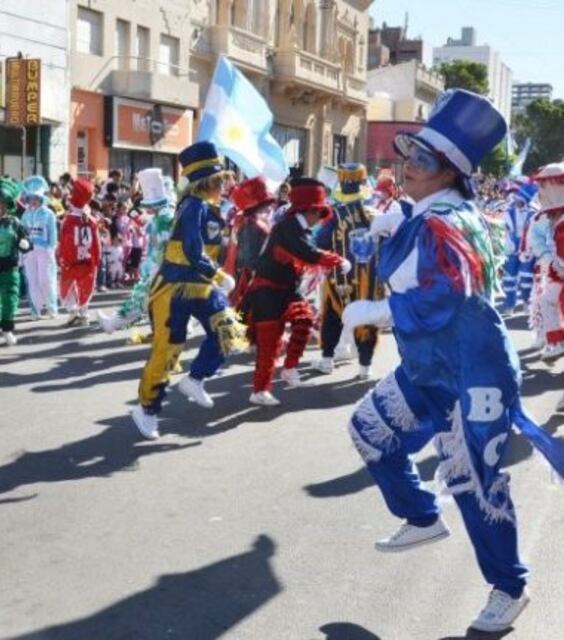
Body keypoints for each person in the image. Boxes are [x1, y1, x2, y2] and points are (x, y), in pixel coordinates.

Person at [339, 90, 564, 633]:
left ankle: (510, 588)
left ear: (448, 173)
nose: (405, 167)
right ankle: (420, 515)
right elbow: (411, 263)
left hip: (474, 372)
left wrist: (381, 309)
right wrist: (385, 232)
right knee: (369, 429)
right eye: (406, 156)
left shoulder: (450, 219)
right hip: (428, 368)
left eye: (420, 161)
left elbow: (451, 291)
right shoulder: (425, 212)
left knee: (476, 484)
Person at [131, 142, 245, 439]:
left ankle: (195, 378)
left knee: (227, 330)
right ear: (206, 182)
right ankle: (146, 409)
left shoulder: (211, 208)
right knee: (168, 349)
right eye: (220, 180)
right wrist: (219, 274)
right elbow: (193, 250)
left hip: (202, 286)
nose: (225, 185)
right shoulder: (192, 206)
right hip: (174, 286)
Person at [242, 179, 349, 406]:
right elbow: (307, 252)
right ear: (308, 209)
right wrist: (337, 260)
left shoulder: (300, 228)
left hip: (287, 290)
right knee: (269, 343)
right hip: (266, 291)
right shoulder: (289, 226)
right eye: (318, 212)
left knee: (305, 321)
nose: (319, 218)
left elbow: (307, 252)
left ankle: (289, 368)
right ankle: (259, 390)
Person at [312, 163, 384, 380]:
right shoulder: (376, 214)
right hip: (369, 279)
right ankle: (365, 367)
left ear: (342, 183)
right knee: (366, 320)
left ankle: (327, 359)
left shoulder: (335, 215)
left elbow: (321, 241)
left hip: (340, 276)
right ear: (362, 183)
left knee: (332, 316)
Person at [98, 168, 175, 333]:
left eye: (150, 205)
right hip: (159, 267)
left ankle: (112, 324)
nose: (147, 208)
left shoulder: (164, 220)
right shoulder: (159, 218)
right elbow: (139, 219)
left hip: (162, 269)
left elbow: (164, 246)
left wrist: (156, 268)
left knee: (141, 299)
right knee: (146, 300)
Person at [0, 177, 30, 345]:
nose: (0, 205)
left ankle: (7, 329)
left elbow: (27, 241)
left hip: (11, 266)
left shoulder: (15, 222)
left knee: (10, 300)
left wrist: (25, 244)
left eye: (4, 202)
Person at [223, 176, 275, 311]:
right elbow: (249, 258)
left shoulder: (245, 219)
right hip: (247, 281)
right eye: (266, 203)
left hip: (241, 277)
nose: (269, 206)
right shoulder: (250, 224)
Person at [532, 163, 564, 364]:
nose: (540, 192)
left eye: (544, 186)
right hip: (557, 272)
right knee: (545, 300)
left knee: (548, 300)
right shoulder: (555, 220)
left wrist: (559, 267)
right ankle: (556, 342)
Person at [57, 178, 101, 327]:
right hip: (88, 260)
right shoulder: (92, 220)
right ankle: (83, 314)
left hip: (72, 260)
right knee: (84, 287)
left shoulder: (68, 220)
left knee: (66, 288)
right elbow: (97, 243)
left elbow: (65, 242)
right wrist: (97, 259)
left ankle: (74, 311)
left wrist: (62, 257)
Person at [20, 176, 59, 319]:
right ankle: (35, 310)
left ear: (42, 198)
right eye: (31, 198)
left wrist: (51, 248)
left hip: (44, 250)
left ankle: (51, 307)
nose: (33, 200)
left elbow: (53, 234)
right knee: (32, 279)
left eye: (36, 197)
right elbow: (22, 232)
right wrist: (22, 250)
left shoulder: (48, 214)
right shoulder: (25, 214)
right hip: (29, 251)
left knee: (45, 279)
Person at [499, 180, 539, 314]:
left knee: (526, 276)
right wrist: (508, 243)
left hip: (527, 247)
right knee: (509, 276)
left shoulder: (533, 213)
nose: (516, 199)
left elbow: (535, 232)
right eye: (516, 197)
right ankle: (510, 304)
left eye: (519, 197)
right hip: (512, 247)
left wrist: (530, 247)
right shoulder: (509, 211)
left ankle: (526, 302)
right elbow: (506, 229)